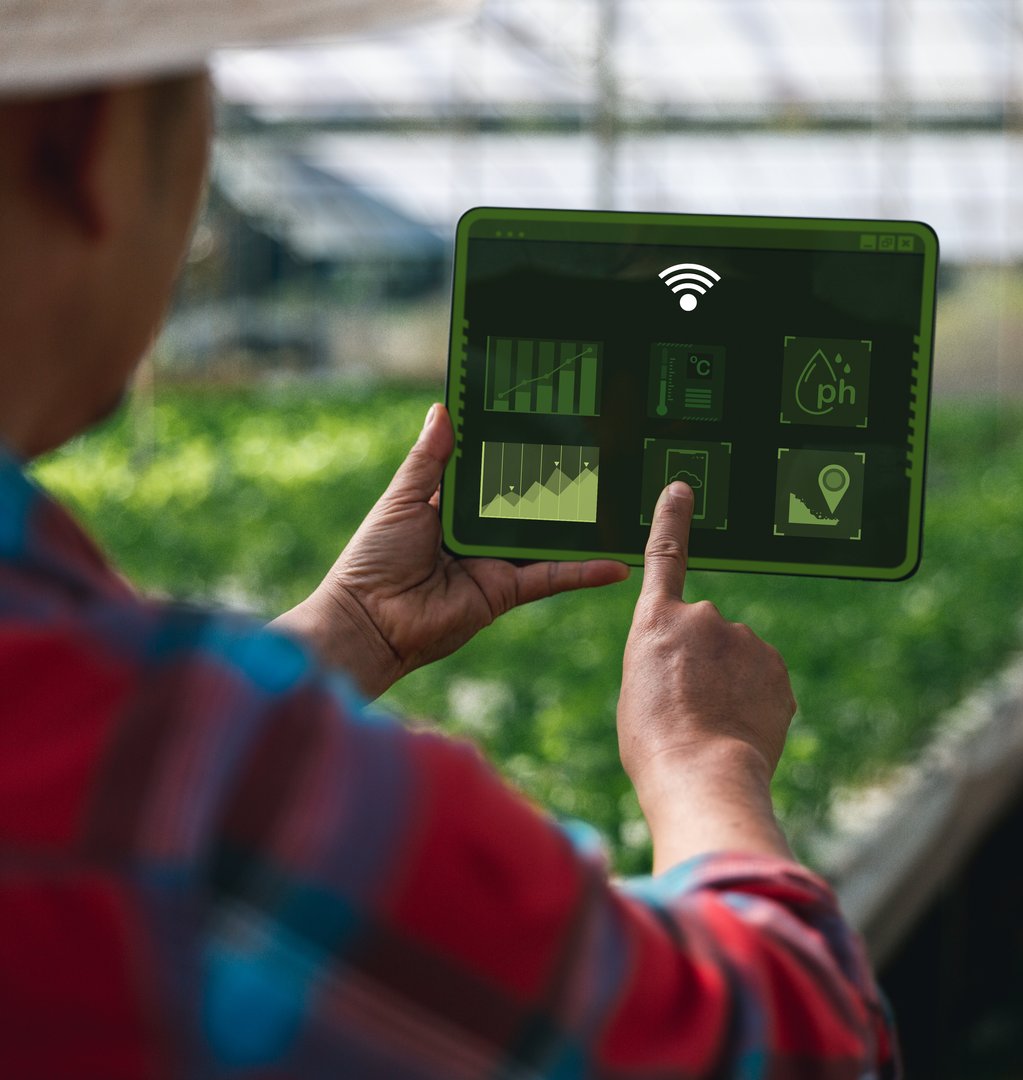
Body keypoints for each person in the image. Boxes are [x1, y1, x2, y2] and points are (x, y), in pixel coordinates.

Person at [0, 0, 899, 1075]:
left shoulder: (125, 748)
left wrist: (347, 632)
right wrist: (706, 760)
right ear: (86, 139)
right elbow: (792, 1046)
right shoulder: (199, 792)